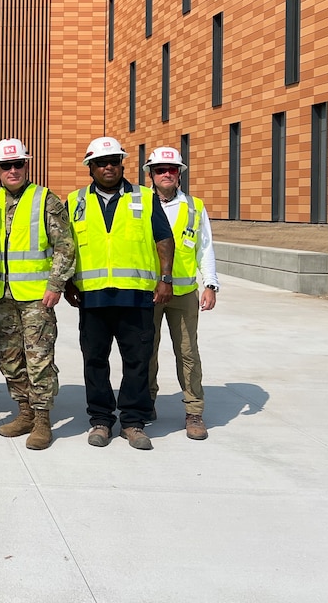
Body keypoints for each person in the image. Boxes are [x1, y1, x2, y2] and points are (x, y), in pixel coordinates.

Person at [63, 137, 174, 451]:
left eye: (113, 161)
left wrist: (166, 278)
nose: (108, 167)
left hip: (136, 295)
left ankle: (133, 422)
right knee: (95, 360)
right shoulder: (75, 201)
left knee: (137, 360)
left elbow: (164, 238)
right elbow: (66, 245)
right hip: (93, 296)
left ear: (122, 164)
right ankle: (100, 419)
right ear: (91, 167)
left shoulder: (145, 197)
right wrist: (69, 281)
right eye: (101, 162)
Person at [0, 139, 75, 450]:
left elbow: (65, 246)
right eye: (5, 166)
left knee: (38, 359)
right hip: (3, 295)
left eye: (18, 164)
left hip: (37, 297)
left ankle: (41, 419)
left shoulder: (45, 200)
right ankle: (23, 411)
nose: (12, 170)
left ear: (27, 165)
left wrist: (55, 285)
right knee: (10, 359)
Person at [145, 146, 220, 440]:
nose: (166, 174)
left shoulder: (194, 207)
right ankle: (145, 402)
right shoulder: (139, 204)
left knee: (188, 353)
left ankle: (194, 411)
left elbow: (205, 247)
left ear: (179, 174)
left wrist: (210, 284)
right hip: (147, 292)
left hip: (184, 292)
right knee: (144, 352)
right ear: (151, 174)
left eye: (172, 169)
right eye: (160, 169)